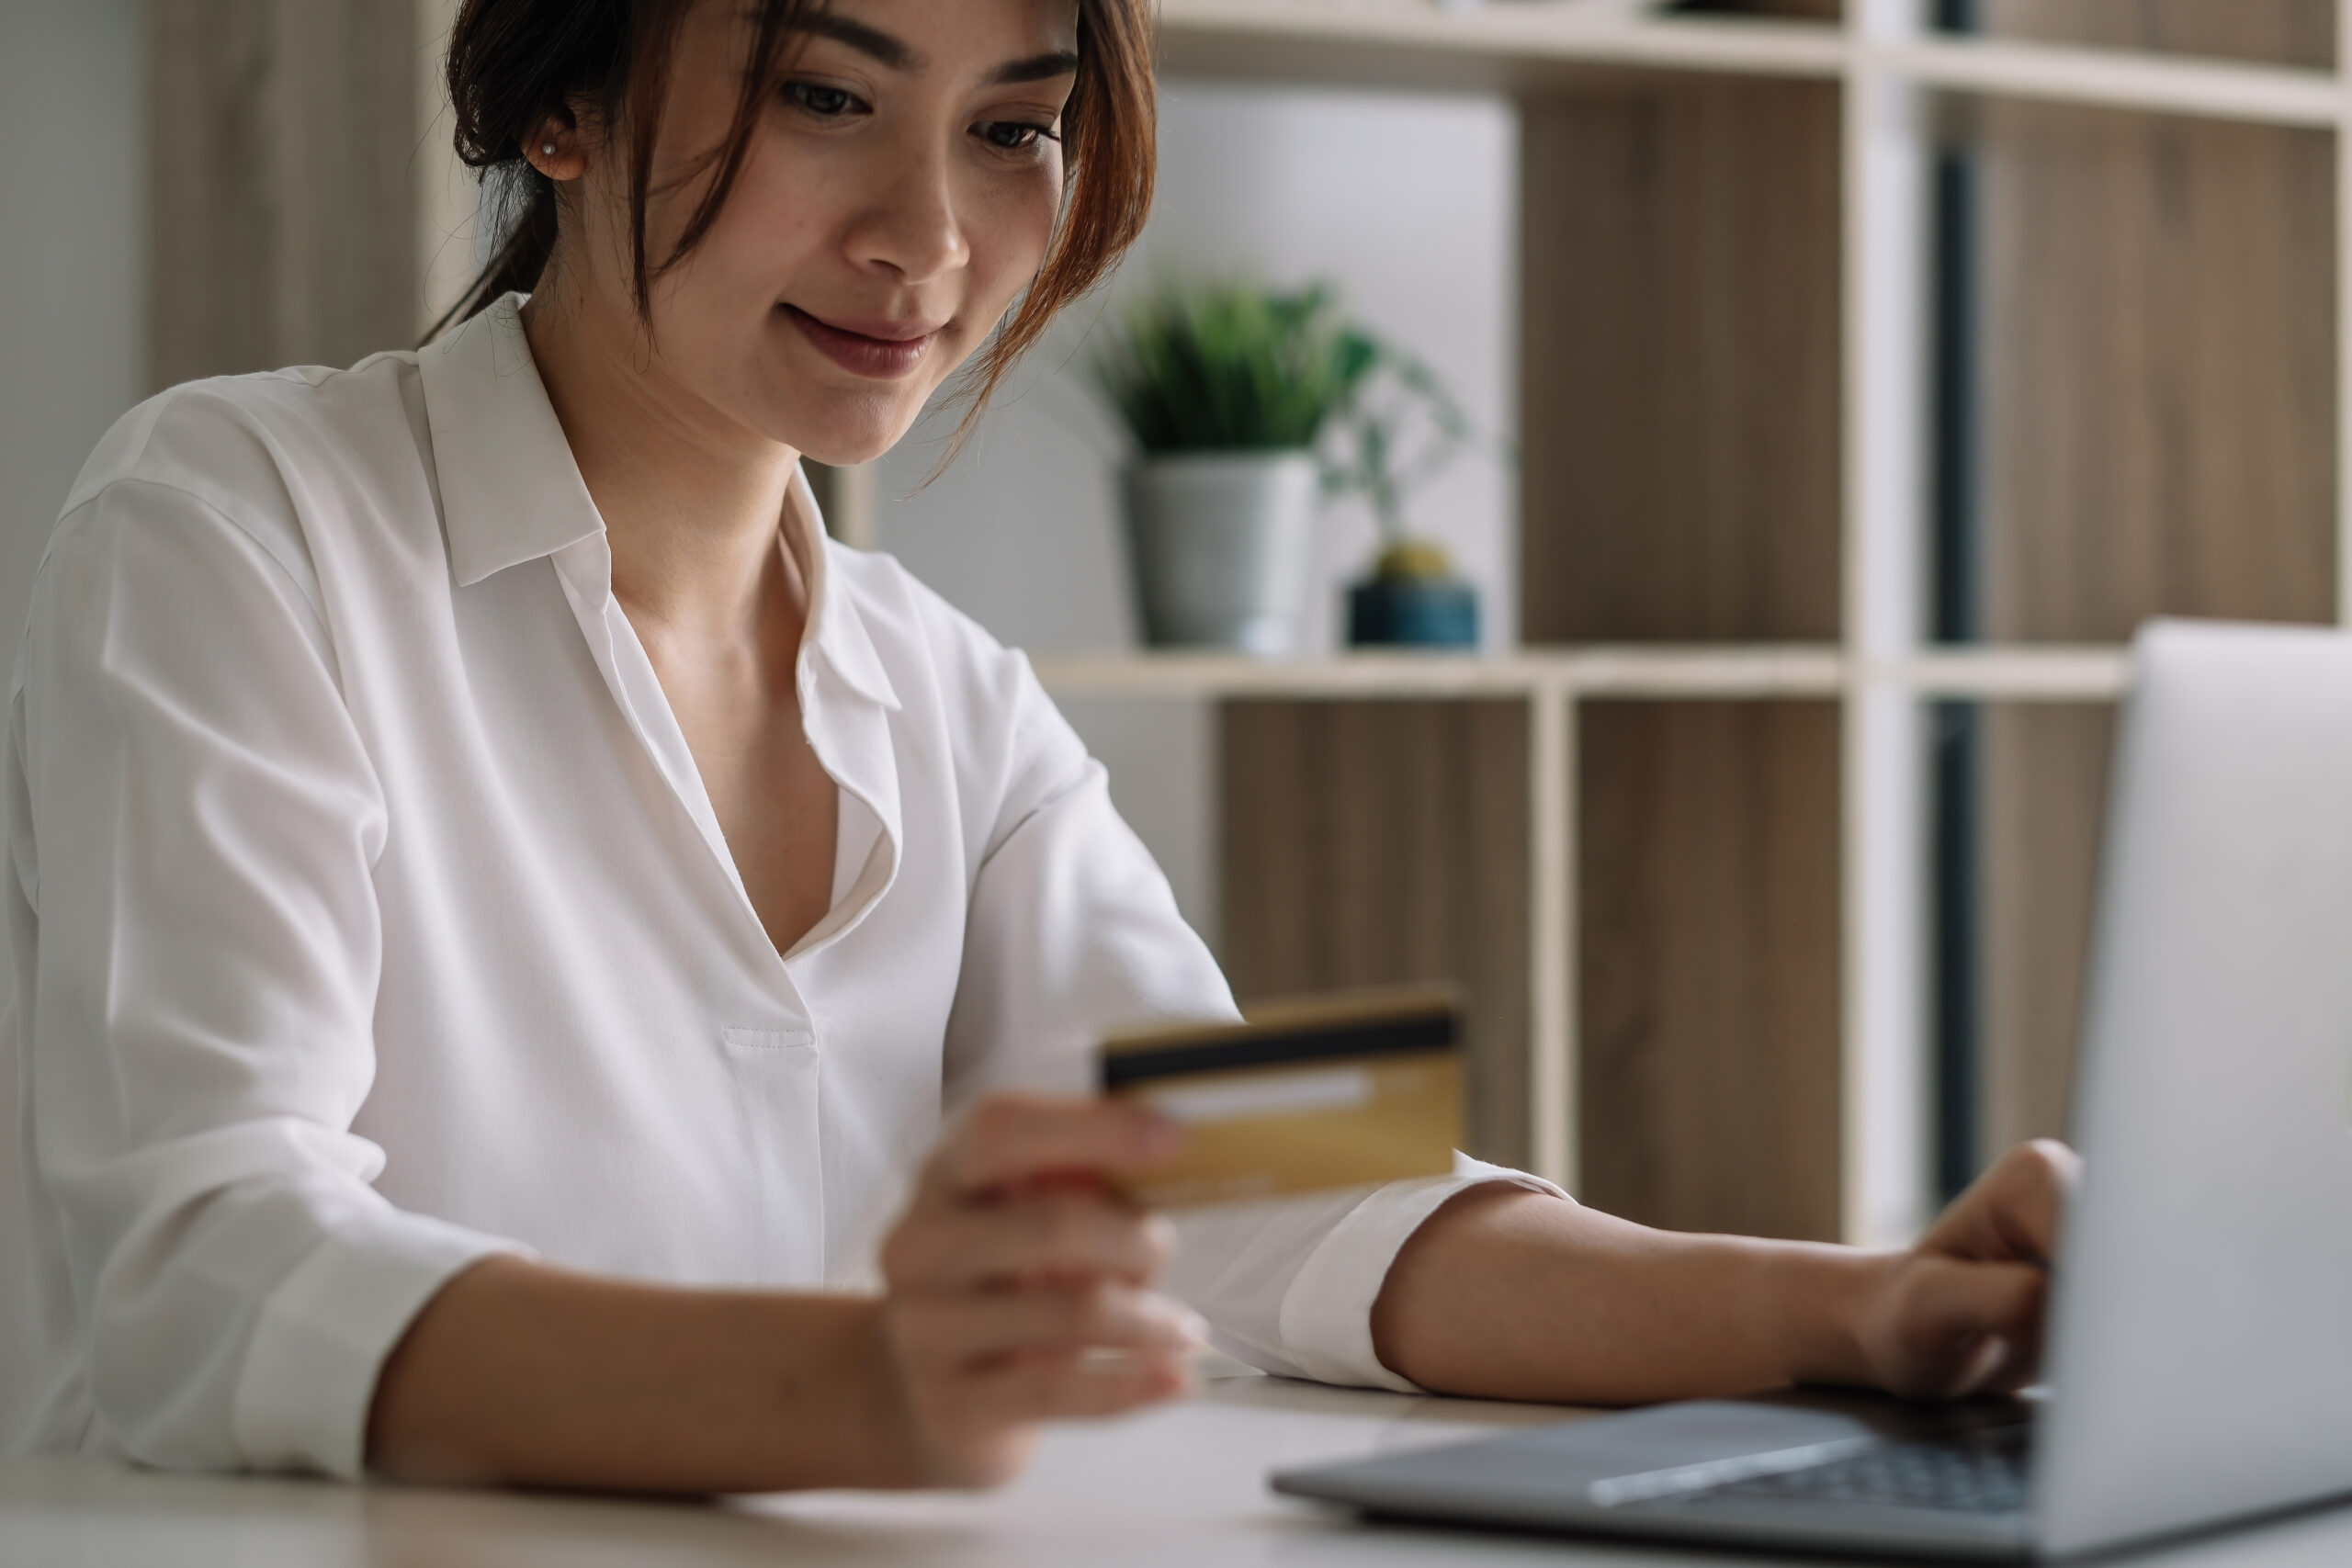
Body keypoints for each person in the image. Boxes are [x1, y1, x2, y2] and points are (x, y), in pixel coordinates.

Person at [0, 0, 2075, 1494]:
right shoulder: (227, 515)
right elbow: (206, 1259)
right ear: (563, 94)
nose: (930, 238)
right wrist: (854, 1393)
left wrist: (1865, 1303)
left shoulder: (950, 680)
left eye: (1013, 124)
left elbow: (1275, 1173)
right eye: (827, 92)